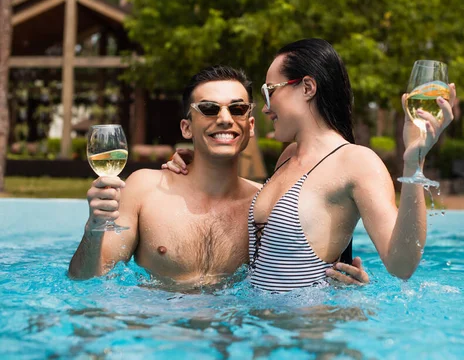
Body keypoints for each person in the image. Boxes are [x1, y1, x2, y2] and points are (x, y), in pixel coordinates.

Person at [165, 38, 456, 293]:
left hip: (308, 337)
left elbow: (401, 264)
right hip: (260, 333)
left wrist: (413, 162)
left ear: (307, 87)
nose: (265, 108)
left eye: (270, 92)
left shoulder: (356, 162)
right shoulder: (288, 157)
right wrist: (195, 166)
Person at [68, 65, 368, 288]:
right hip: (155, 333)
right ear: (186, 128)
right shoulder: (145, 189)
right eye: (209, 109)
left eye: (236, 108)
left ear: (250, 126)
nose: (225, 118)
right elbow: (88, 281)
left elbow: (296, 281)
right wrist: (94, 227)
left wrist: (344, 287)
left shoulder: (265, 208)